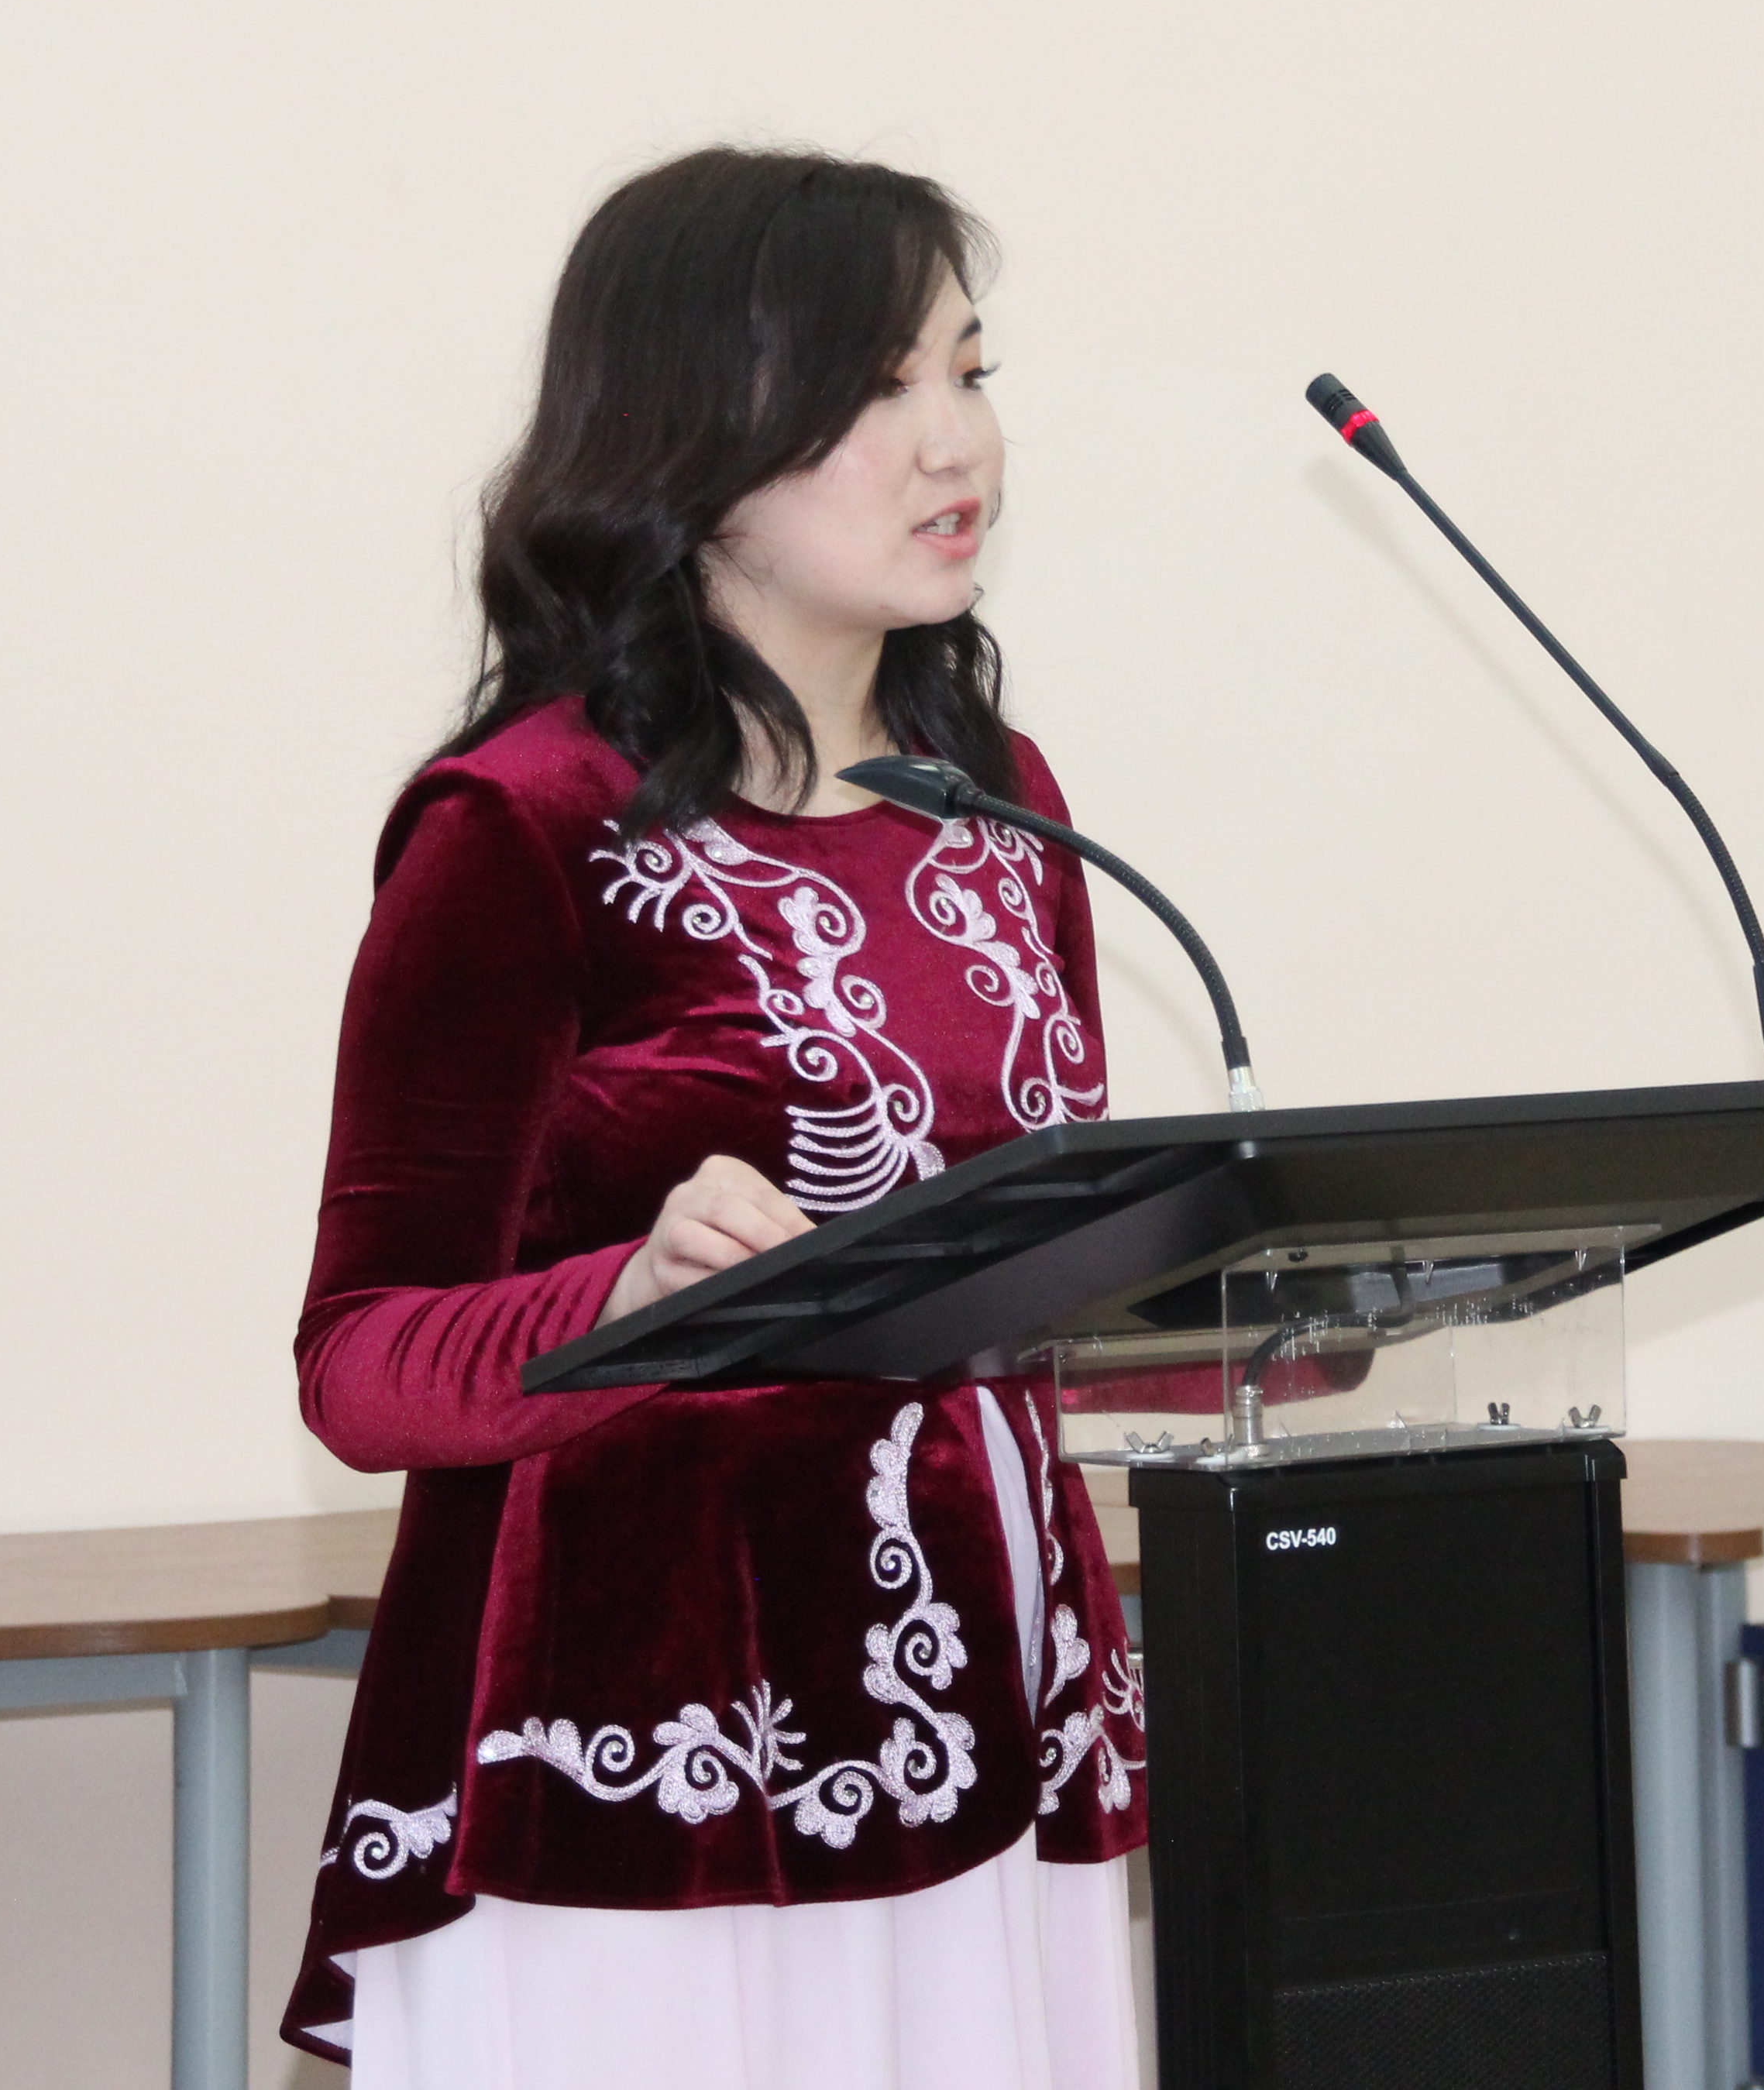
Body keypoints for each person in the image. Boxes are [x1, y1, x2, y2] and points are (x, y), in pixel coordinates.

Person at [280, 148, 1150, 2090]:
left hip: (994, 1741)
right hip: (650, 1787)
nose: (956, 443)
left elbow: (1036, 1275)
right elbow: (359, 1366)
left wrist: (1294, 1280)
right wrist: (620, 1300)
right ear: (694, 439)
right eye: (875, 390)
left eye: (970, 373)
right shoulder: (522, 827)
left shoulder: (998, 796)